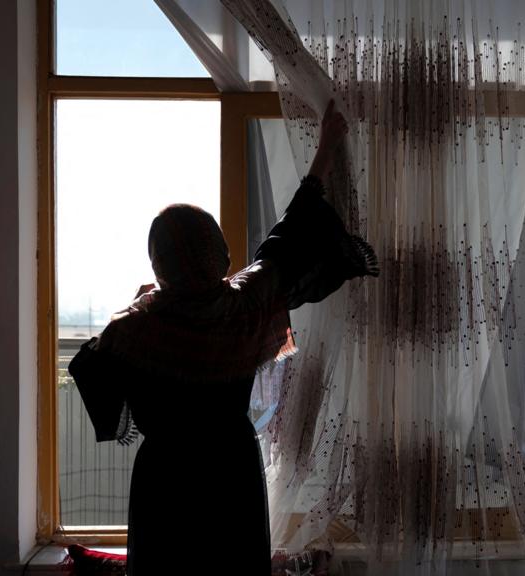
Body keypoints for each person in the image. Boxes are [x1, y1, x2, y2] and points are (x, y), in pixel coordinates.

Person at [67, 100, 377, 575]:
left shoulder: (133, 326)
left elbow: (89, 368)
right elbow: (291, 237)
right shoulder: (243, 304)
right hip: (231, 474)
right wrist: (326, 149)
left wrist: (139, 303)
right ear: (216, 250)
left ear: (159, 260)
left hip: (165, 480)